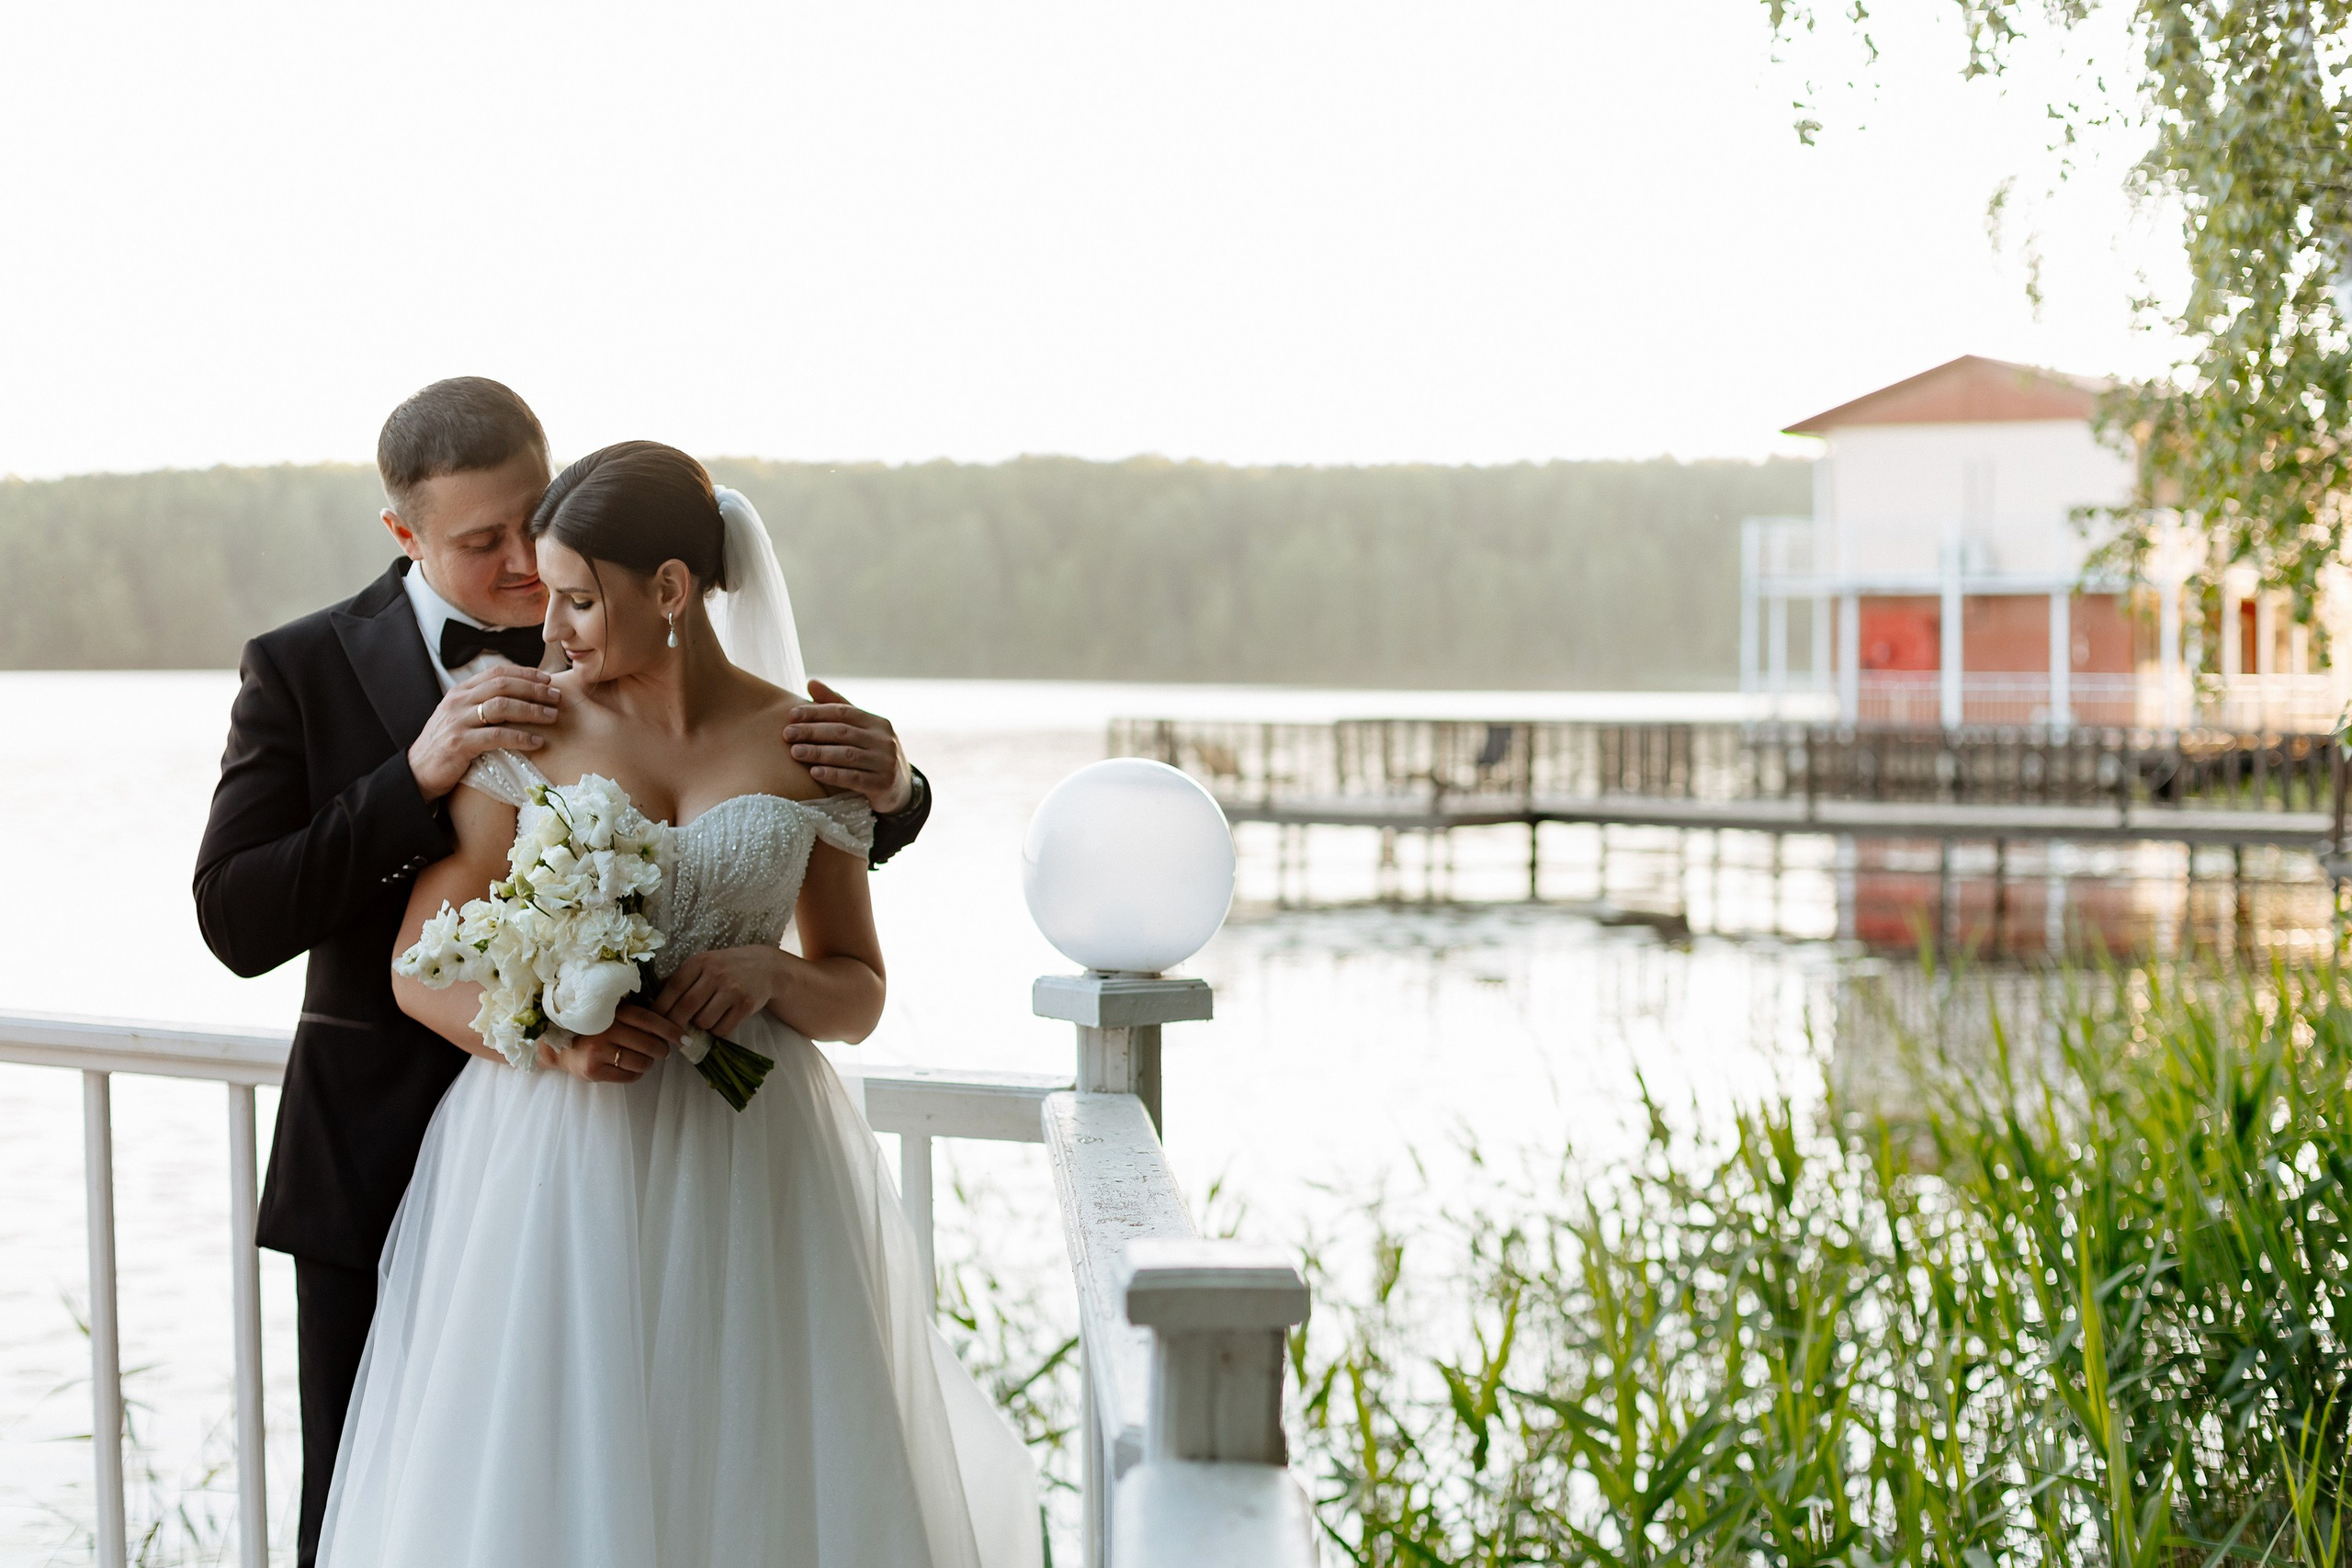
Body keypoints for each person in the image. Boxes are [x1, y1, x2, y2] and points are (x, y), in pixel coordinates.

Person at [191, 379, 937, 1566]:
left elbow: (840, 874)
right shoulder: (312, 673)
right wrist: (417, 775)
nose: (534, 586)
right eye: (485, 543)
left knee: (738, 1465)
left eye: (535, 532)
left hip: (738, 1156)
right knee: (412, 1501)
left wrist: (891, 796)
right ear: (408, 536)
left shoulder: (772, 723)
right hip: (436, 1149)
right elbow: (242, 917)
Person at [317, 442, 1038, 1565]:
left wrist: (777, 977)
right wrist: (548, 1041)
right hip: (557, 1165)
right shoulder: (528, 730)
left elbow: (859, 990)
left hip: (756, 1165)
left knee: (753, 1460)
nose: (551, 632)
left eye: (577, 600)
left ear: (668, 590)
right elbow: (420, 961)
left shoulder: (806, 745)